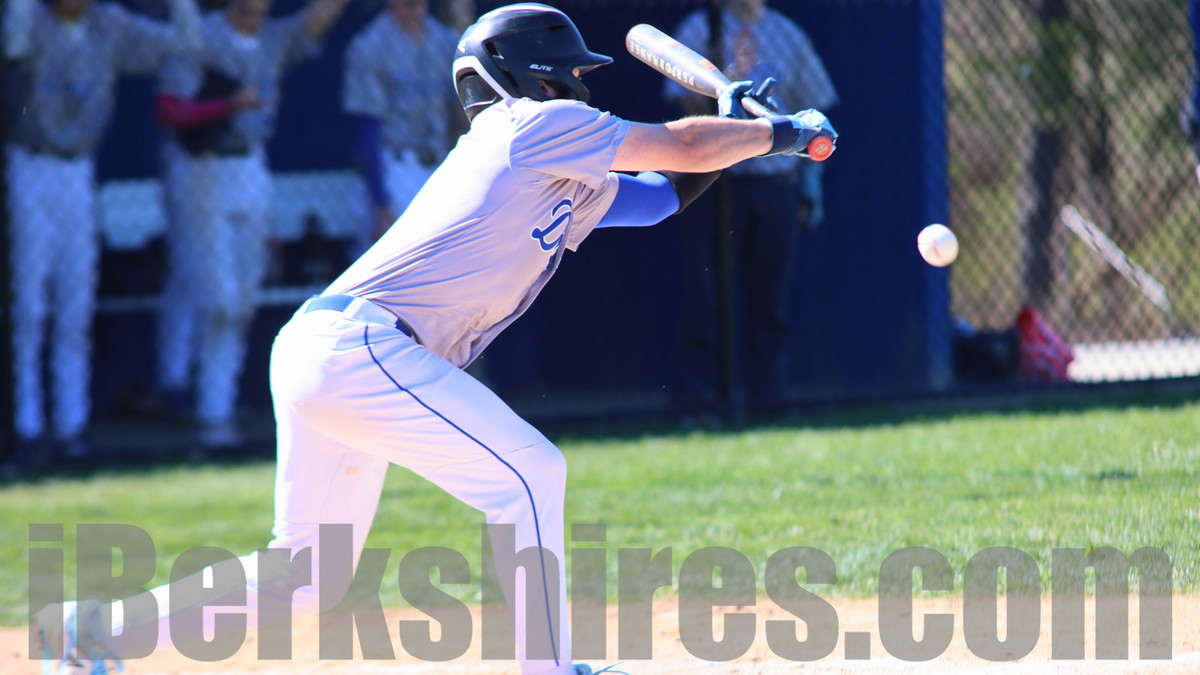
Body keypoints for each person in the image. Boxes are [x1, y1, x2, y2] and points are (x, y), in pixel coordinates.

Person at [35, 4, 835, 674]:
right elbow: (685, 146)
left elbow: (662, 193)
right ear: (529, 78)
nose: (577, 86)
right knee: (530, 472)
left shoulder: (554, 168)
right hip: (363, 346)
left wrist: (741, 134)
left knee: (303, 575)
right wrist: (781, 132)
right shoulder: (530, 126)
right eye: (567, 73)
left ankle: (94, 630)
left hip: (334, 350)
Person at [2, 0, 200, 460]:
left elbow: (184, 45)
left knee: (75, 307)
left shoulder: (107, 23)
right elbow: (12, 46)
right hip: (29, 163)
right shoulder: (29, 18)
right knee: (28, 309)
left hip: (79, 171)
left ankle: (71, 427)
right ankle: (25, 427)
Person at [153, 0, 353, 449]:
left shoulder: (272, 36)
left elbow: (314, 23)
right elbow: (168, 111)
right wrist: (228, 104)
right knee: (218, 299)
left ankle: (217, 411)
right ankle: (202, 406)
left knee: (242, 300)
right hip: (200, 168)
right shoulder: (200, 36)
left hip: (250, 166)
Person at [665, 0, 839, 422]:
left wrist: (810, 188)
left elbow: (814, 114)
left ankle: (768, 402)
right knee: (705, 298)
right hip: (712, 184)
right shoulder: (698, 31)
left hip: (773, 185)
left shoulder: (789, 34)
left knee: (770, 300)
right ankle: (698, 406)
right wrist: (729, 83)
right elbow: (683, 107)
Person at [342, 0, 464, 251]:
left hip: (440, 164)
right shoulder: (371, 45)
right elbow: (366, 128)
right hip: (396, 168)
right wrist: (381, 204)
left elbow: (460, 112)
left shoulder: (444, 39)